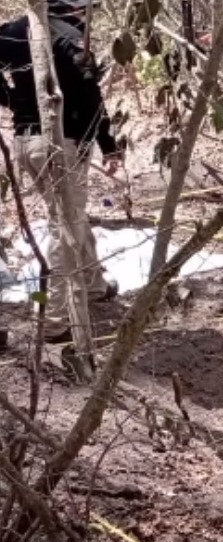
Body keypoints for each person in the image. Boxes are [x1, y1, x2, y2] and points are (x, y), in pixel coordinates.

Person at [0, 0, 122, 343]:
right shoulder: (69, 38)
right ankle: (54, 322)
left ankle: (94, 286)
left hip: (26, 142)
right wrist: (109, 144)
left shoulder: (10, 32)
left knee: (69, 214)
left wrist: (14, 101)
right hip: (59, 143)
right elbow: (92, 96)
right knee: (63, 226)